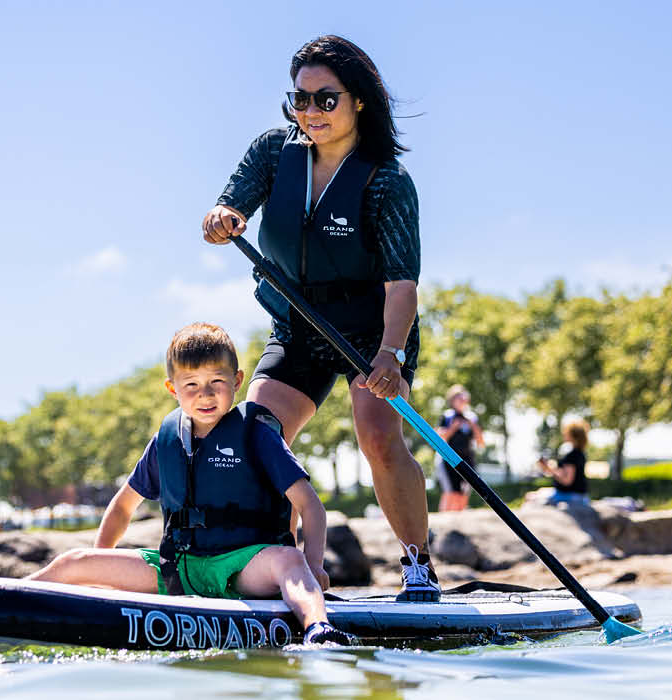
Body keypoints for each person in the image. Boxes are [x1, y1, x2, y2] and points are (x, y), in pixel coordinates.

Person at [200, 35, 438, 602]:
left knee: (378, 437)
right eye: (299, 100)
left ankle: (418, 565)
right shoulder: (272, 152)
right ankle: (277, 567)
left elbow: (401, 285)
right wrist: (222, 217)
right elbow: (230, 203)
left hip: (370, 332)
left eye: (325, 100)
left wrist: (390, 355)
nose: (310, 113)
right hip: (298, 327)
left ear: (358, 101)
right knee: (257, 434)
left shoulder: (387, 182)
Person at [28, 323, 356, 645]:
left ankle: (318, 628)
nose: (206, 394)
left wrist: (313, 564)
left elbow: (310, 505)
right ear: (172, 389)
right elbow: (123, 506)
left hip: (243, 567)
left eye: (216, 381)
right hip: (179, 568)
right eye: (191, 385)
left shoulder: (256, 434)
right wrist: (99, 564)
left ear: (237, 380)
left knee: (289, 560)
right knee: (75, 562)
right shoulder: (166, 441)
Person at [434, 385, 484, 512]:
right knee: (451, 493)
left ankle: (459, 523)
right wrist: (453, 428)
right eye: (459, 398)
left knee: (464, 493)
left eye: (464, 398)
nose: (462, 400)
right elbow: (439, 438)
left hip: (467, 459)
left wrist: (473, 426)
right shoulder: (448, 416)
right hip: (448, 460)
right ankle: (444, 522)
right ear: (452, 400)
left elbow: (480, 442)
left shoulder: (472, 417)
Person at [536, 419, 590, 506]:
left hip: (570, 496)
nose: (564, 434)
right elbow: (566, 474)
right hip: (577, 495)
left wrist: (549, 469)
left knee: (531, 497)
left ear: (572, 435)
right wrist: (550, 469)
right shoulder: (579, 453)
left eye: (566, 432)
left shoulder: (572, 455)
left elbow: (567, 480)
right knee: (540, 492)